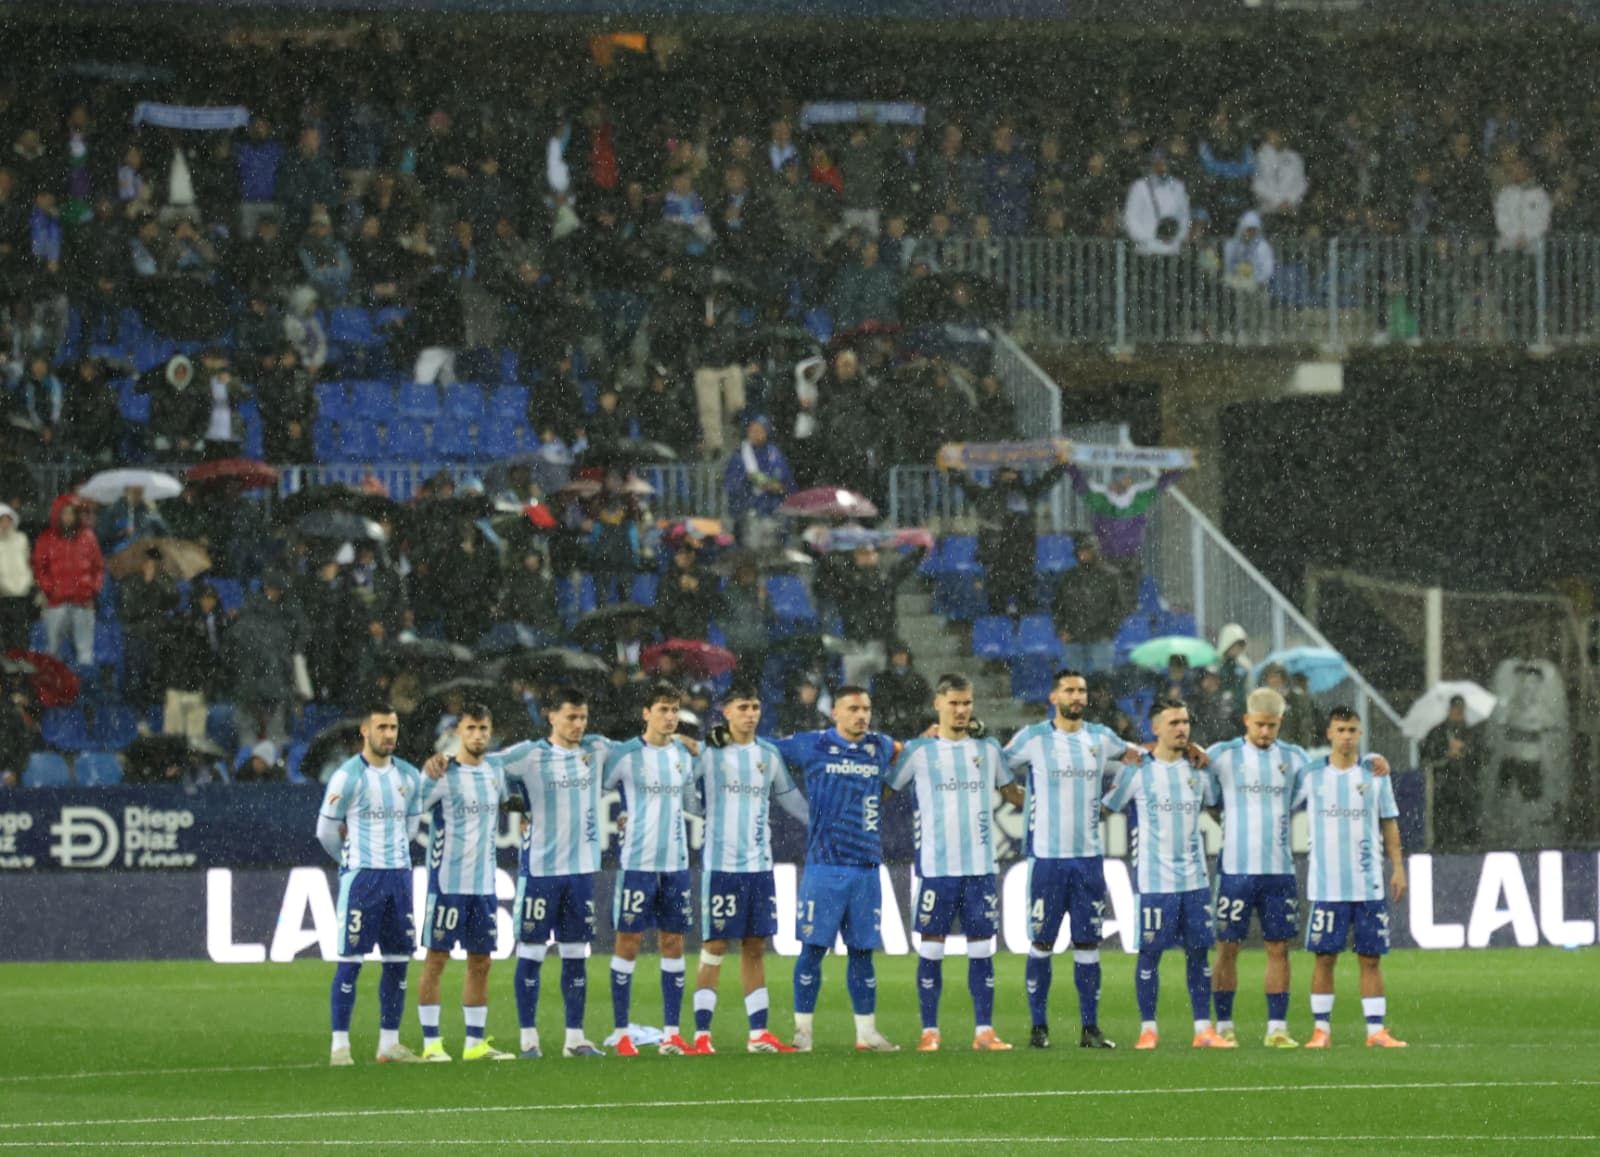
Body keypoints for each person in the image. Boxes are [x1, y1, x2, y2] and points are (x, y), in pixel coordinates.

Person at [1002, 668, 1143, 1050]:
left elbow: (1139, 757)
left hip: (1089, 859)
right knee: (1043, 943)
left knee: (1087, 943)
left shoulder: (1101, 737)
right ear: (1054, 697)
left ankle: (1090, 1029)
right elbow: (995, 764)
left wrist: (1183, 750)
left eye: (1081, 690)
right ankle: (1038, 1027)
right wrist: (1020, 799)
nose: (1076, 696)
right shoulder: (1033, 738)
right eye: (1069, 690)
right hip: (1047, 859)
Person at [770, 685, 901, 1053]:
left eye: (866, 708)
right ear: (835, 714)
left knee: (862, 952)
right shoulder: (810, 743)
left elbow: (909, 750)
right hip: (825, 866)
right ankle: (803, 1034)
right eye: (853, 708)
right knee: (812, 950)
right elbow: (761, 749)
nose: (862, 715)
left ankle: (866, 1034)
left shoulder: (879, 745)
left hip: (866, 867)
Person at [887, 673, 1012, 1053]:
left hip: (979, 867)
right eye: (954, 703)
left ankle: (984, 1031)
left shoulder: (988, 750)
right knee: (931, 948)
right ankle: (930, 1031)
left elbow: (1012, 793)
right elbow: (887, 789)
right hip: (936, 869)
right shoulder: (919, 751)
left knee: (981, 948)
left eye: (967, 703)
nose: (961, 710)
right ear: (937, 704)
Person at [1102, 699, 1235, 1050]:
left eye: (1186, 721)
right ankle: (1148, 1028)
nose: (1182, 728)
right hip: (1154, 881)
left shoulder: (1198, 771)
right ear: (1155, 728)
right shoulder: (1137, 771)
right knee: (1150, 953)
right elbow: (1105, 809)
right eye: (1174, 722)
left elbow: (1217, 806)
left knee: (1198, 953)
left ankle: (1203, 1029)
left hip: (1194, 880)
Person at [487, 687, 611, 1059]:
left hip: (581, 872)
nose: (578, 725)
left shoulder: (597, 749)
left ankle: (575, 1038)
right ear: (550, 716)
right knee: (532, 954)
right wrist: (508, 799)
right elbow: (483, 764)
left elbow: (645, 746)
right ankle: (529, 1040)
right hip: (540, 871)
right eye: (571, 717)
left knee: (576, 954)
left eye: (583, 717)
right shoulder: (529, 754)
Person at [689, 684, 810, 1055]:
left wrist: (819, 823)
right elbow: (678, 772)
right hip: (722, 866)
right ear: (726, 712)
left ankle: (758, 1035)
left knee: (755, 946)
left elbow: (789, 798)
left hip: (759, 866)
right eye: (743, 706)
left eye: (756, 706)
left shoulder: (768, 754)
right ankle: (701, 1036)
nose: (751, 713)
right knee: (714, 946)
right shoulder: (711, 752)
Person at [315, 704, 426, 1066]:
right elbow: (326, 832)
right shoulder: (347, 776)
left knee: (397, 962)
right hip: (362, 879)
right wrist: (349, 862)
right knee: (350, 962)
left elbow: (411, 828)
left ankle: (388, 1044)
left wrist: (394, 858)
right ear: (365, 731)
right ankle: (340, 1047)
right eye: (382, 727)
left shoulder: (409, 776)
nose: (389, 734)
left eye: (393, 727)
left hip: (399, 879)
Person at [1204, 687, 1314, 1048]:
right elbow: (1209, 798)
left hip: (1278, 871)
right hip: (1235, 870)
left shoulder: (1295, 758)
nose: (1266, 733)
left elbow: (1314, 785)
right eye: (1260, 725)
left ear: (1280, 723)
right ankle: (1224, 1027)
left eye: (1273, 726)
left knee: (1279, 948)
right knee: (1227, 948)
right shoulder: (1222, 755)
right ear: (1246, 720)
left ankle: (1277, 1029)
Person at [1298, 707, 1408, 1048]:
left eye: (1352, 730)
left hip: (1368, 883)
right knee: (1325, 958)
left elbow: (1388, 822)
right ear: (1329, 734)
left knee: (1370, 958)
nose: (1347, 735)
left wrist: (1399, 868)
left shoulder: (1375, 775)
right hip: (1327, 886)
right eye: (1341, 729)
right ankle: (1321, 1031)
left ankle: (1375, 1031)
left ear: (1360, 734)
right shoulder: (1311, 774)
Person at [414, 706, 516, 1063]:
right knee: (436, 959)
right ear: (458, 731)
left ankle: (474, 1045)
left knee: (481, 962)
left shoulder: (494, 772)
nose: (478, 735)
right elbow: (412, 807)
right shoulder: (441, 773)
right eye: (471, 728)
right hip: (447, 883)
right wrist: (428, 766)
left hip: (484, 886)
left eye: (483, 728)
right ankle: (431, 1044)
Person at [603, 681, 700, 1057]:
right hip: (637, 864)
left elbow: (693, 803)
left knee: (673, 943)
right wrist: (620, 817)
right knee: (628, 942)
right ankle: (622, 1032)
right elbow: (596, 789)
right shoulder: (626, 755)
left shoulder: (683, 756)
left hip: (675, 863)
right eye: (662, 709)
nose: (670, 716)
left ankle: (672, 1034)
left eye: (674, 709)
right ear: (646, 714)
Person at [31, 494, 103, 668]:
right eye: (65, 513)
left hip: (82, 601)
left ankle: (84, 689)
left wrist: (92, 590)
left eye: (72, 513)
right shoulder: (46, 539)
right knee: (53, 650)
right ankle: (55, 690)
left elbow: (98, 567)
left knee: (85, 651)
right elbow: (39, 568)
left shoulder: (88, 537)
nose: (68, 517)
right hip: (56, 602)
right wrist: (50, 590)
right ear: (58, 515)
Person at [1049, 539, 1126, 675]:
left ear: (1095, 552)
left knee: (1102, 680)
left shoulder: (1110, 576)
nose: (1084, 554)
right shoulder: (1069, 577)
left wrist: (1108, 631)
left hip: (1100, 636)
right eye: (1081, 551)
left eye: (1087, 550)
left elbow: (1119, 607)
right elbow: (1057, 606)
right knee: (1075, 680)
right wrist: (1062, 629)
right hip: (1073, 636)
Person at [1421, 694, 1483, 850]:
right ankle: (1442, 847)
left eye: (1461, 709)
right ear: (1449, 710)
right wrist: (1446, 753)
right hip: (1444, 785)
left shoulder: (1471, 733)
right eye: (1455, 709)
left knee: (1467, 820)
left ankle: (1468, 846)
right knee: (1443, 820)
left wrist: (1465, 751)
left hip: (1466, 784)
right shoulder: (1437, 732)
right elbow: (1427, 755)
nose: (1458, 713)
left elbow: (1481, 756)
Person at [723, 417, 794, 549]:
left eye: (759, 430)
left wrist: (778, 487)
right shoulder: (739, 456)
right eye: (752, 430)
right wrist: (750, 482)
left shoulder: (775, 454)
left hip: (773, 512)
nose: (755, 434)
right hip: (749, 513)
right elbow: (732, 485)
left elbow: (787, 483)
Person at [0, 504, 33, 653]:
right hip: (2, 594)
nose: (5, 524)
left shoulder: (21, 539)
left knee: (20, 634)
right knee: (5, 635)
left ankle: (20, 664)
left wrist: (28, 583)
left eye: (8, 520)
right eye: (2, 520)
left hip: (21, 593)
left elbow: (28, 562)